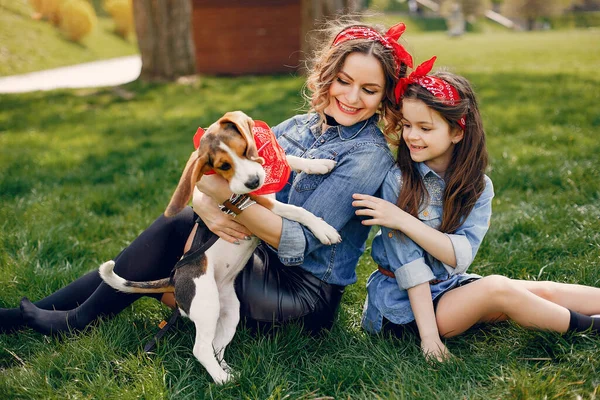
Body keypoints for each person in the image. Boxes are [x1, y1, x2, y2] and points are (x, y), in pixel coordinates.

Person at [1, 20, 413, 337]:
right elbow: (216, 169)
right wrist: (204, 203)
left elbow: (296, 242)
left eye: (369, 89)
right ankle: (37, 313)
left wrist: (222, 199)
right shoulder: (302, 126)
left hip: (300, 296)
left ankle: (73, 319)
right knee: (184, 223)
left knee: (177, 231)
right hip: (255, 259)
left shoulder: (368, 155)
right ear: (328, 75)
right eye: (344, 81)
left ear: (384, 97)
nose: (352, 97)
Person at [353, 56, 600, 361]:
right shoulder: (398, 181)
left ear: (457, 132)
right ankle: (590, 327)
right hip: (403, 313)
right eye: (407, 125)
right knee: (497, 288)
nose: (412, 136)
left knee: (535, 291)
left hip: (449, 288)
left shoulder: (478, 186)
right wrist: (429, 339)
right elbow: (410, 268)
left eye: (425, 128)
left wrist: (404, 220)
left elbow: (460, 257)